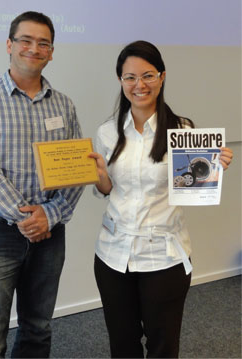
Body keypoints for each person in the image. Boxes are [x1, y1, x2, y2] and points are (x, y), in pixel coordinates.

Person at [89, 40, 233, 358]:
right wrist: (99, 176)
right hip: (114, 254)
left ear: (162, 77)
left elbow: (194, 185)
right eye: (130, 77)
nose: (139, 85)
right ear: (120, 80)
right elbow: (107, 189)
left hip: (164, 256)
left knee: (163, 345)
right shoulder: (107, 132)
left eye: (148, 75)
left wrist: (213, 166)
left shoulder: (183, 130)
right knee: (122, 343)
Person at [0, 11, 84, 358]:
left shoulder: (64, 105)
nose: (34, 48)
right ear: (10, 45)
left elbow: (76, 167)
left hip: (49, 232)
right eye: (26, 40)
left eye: (43, 43)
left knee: (38, 328)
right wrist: (26, 217)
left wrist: (50, 214)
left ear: (52, 52)